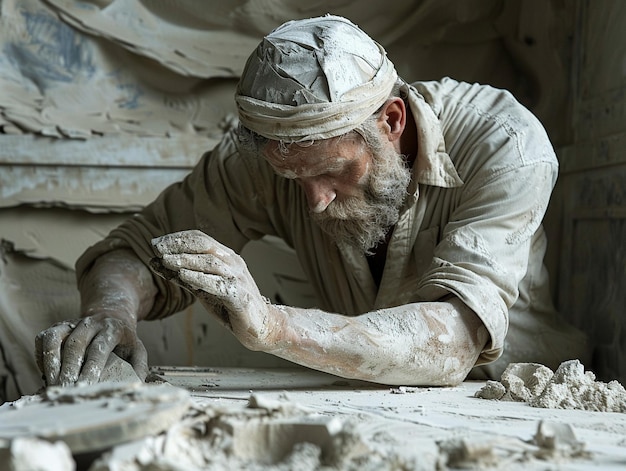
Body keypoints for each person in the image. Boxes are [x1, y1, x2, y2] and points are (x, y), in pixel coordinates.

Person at [35, 15, 589, 388]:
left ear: (391, 122)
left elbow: (458, 340)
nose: (315, 203)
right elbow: (133, 250)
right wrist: (111, 314)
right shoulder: (273, 160)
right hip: (373, 398)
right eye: (292, 179)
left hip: (517, 399)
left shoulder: (507, 143)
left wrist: (271, 325)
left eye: (331, 173)